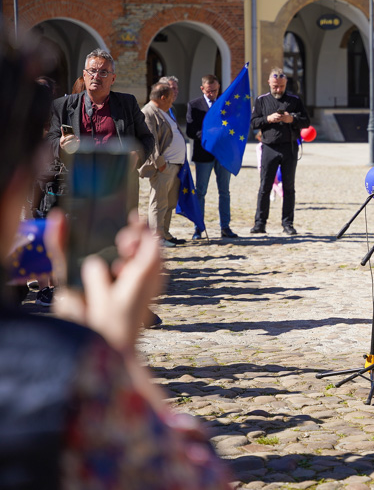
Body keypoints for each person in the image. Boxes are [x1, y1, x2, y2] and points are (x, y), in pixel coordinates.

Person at [0, 33, 232, 489]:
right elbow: (195, 477)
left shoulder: (125, 105)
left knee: (104, 258)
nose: (95, 79)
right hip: (67, 192)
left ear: (111, 77)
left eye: (102, 73)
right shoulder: (63, 367)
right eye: (89, 72)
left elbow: (144, 141)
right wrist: (107, 354)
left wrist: (131, 162)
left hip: (113, 196)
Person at [46, 48, 154, 164]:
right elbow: (50, 141)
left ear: (113, 79)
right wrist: (61, 145)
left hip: (119, 177)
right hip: (78, 177)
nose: (96, 76)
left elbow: (147, 138)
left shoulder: (127, 103)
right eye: (92, 71)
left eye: (103, 72)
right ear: (84, 74)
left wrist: (136, 154)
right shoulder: (62, 105)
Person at [250, 67, 310, 235]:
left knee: (289, 188)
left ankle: (287, 223)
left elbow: (306, 121)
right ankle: (260, 223)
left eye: (281, 86)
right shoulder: (262, 100)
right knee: (265, 186)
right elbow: (253, 122)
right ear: (269, 82)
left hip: (289, 147)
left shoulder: (294, 100)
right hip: (269, 147)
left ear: (285, 84)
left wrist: (292, 119)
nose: (278, 89)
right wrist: (267, 119)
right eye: (275, 86)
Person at [186, 74, 238, 239]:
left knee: (224, 191)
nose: (212, 94)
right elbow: (190, 131)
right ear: (202, 89)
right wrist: (209, 135)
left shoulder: (225, 104)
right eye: (209, 91)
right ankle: (198, 227)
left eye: (215, 91)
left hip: (223, 155)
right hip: (204, 155)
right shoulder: (194, 105)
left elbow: (233, 125)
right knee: (200, 191)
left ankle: (225, 227)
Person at [138, 82, 187, 247]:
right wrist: (160, 163)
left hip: (174, 164)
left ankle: (165, 233)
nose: (173, 102)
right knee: (158, 203)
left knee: (169, 202)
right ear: (163, 97)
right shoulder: (148, 112)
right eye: (171, 98)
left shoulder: (164, 111)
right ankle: (156, 238)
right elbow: (149, 140)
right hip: (164, 166)